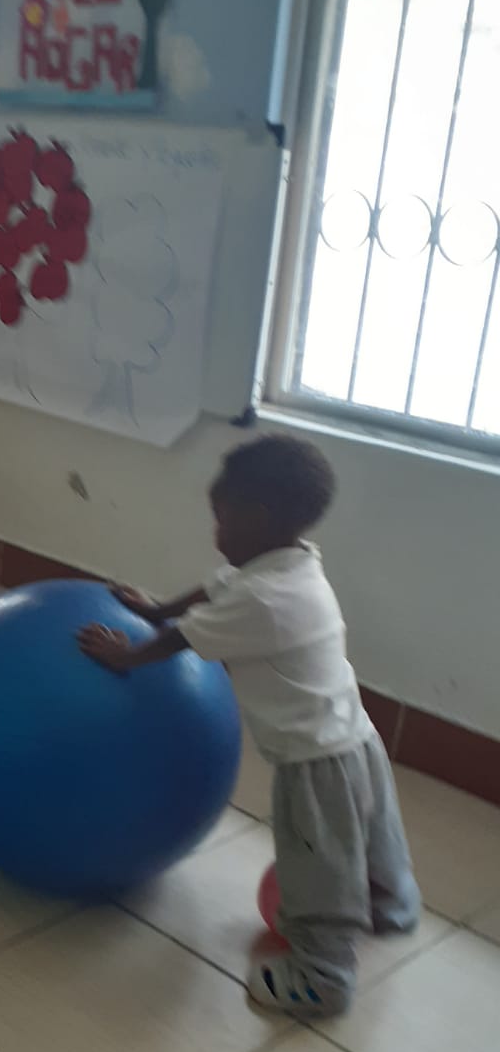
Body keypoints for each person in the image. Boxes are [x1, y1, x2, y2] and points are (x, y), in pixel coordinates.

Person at [77, 433, 420, 1017]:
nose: (216, 532)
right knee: (370, 836)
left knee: (316, 865)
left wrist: (125, 656)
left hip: (313, 762)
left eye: (223, 518)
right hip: (356, 739)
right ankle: (390, 904)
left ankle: (324, 975)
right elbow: (217, 586)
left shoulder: (266, 599)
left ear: (258, 517)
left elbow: (187, 638)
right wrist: (156, 607)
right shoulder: (292, 565)